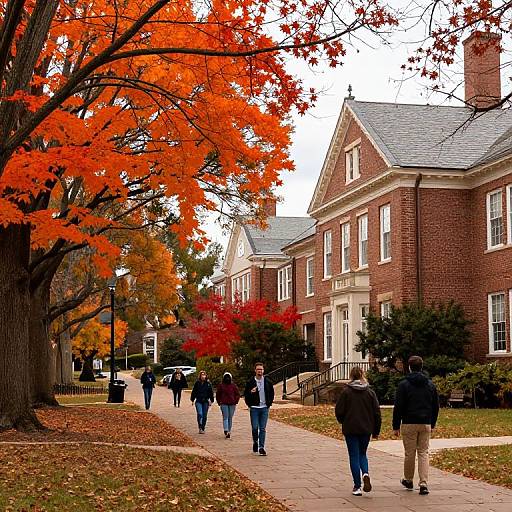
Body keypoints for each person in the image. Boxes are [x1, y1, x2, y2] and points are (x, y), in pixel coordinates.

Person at [393, 355, 440, 496]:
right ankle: (423, 483)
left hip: (408, 422)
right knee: (423, 452)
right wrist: (432, 423)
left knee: (410, 453)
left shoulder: (403, 385)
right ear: (422, 367)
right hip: (425, 422)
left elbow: (398, 406)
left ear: (409, 367)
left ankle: (408, 479)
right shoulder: (430, 385)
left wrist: (396, 426)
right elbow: (435, 406)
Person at [335, 366, 381, 496]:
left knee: (354, 455)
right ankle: (365, 473)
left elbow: (339, 410)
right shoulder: (370, 392)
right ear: (362, 375)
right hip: (366, 428)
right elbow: (377, 412)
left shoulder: (346, 392)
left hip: (350, 428)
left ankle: (357, 486)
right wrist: (376, 430)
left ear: (351, 376)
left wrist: (342, 420)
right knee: (362, 453)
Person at [244, 362, 274, 456]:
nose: (260, 371)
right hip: (254, 408)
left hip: (264, 408)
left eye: (261, 369)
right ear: (255, 370)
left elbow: (271, 393)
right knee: (255, 427)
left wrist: (269, 403)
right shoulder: (250, 382)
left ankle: (261, 447)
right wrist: (250, 396)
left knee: (262, 428)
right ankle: (255, 441)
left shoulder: (268, 382)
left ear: (263, 371)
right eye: (258, 369)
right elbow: (245, 394)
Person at [216, 372, 240, 439]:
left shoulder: (233, 386)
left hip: (232, 404)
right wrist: (219, 402)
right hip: (224, 403)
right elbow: (218, 394)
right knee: (225, 417)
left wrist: (236, 401)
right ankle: (226, 430)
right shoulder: (221, 386)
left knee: (230, 417)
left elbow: (237, 394)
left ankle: (229, 430)